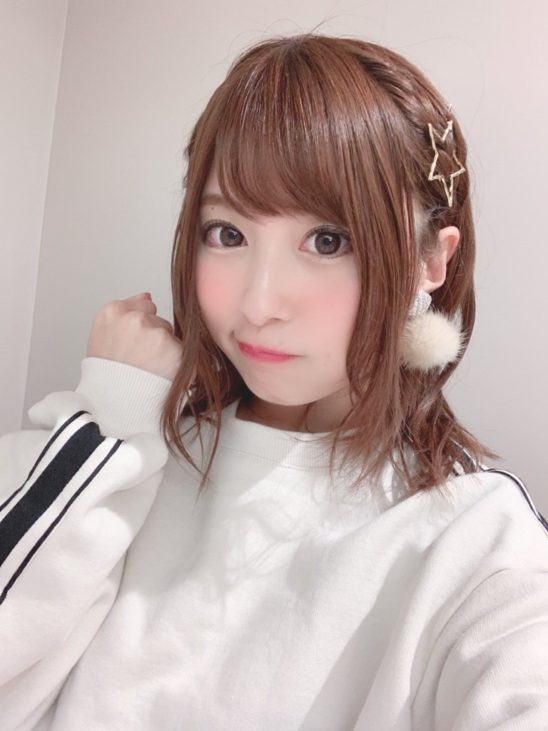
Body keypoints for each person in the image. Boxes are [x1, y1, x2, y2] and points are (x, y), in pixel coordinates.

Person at [1, 33, 547, 731]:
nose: (258, 303)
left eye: (328, 240)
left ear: (430, 262)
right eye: (227, 234)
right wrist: (108, 419)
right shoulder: (130, 449)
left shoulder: (476, 539)